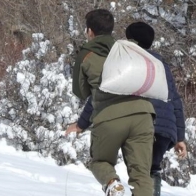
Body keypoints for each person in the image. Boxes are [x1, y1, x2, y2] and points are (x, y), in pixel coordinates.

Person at [67, 21, 187, 196]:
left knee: (135, 171)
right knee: (148, 173)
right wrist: (180, 137)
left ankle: (113, 184)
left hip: (141, 120)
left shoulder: (125, 60)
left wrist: (81, 124)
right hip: (164, 129)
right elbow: (175, 100)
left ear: (129, 38)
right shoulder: (159, 64)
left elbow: (102, 92)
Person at [69, 9, 156, 196]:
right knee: (141, 175)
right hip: (143, 115)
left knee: (100, 162)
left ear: (90, 31)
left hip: (109, 117)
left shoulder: (86, 54)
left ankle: (113, 184)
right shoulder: (126, 50)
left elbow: (81, 92)